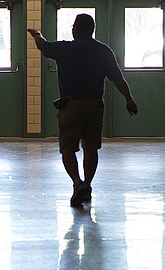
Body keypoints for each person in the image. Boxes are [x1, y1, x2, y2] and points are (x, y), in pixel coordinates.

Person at [28, 14, 138, 207]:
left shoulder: (65, 49)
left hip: (71, 106)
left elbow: (42, 45)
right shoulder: (103, 51)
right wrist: (129, 100)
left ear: (74, 30)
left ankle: (77, 183)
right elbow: (118, 79)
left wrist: (36, 33)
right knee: (91, 147)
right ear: (92, 30)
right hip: (95, 105)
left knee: (68, 148)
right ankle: (87, 185)